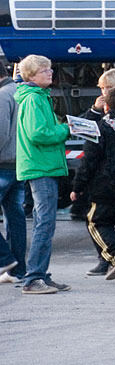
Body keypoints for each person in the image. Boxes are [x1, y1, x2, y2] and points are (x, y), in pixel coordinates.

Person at [70, 87, 115, 283]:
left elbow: (89, 161)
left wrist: (77, 187)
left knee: (96, 222)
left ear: (106, 106)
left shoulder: (98, 127)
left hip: (103, 189)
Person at [14, 54, 71, 294]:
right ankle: (33, 278)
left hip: (41, 165)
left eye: (50, 68)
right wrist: (66, 129)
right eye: (45, 70)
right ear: (31, 75)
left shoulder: (38, 97)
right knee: (45, 223)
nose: (50, 73)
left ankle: (41, 274)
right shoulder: (34, 100)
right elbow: (38, 134)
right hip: (41, 167)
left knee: (43, 222)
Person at [79, 67, 115, 277]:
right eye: (101, 88)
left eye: (108, 87)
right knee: (98, 220)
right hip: (101, 174)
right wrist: (94, 110)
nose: (103, 92)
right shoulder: (98, 107)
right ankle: (105, 258)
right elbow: (81, 127)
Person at [0, 63, 26, 284]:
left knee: (14, 218)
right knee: (15, 219)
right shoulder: (19, 92)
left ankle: (4, 259)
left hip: (2, 164)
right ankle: (18, 270)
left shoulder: (2, 95)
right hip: (20, 163)